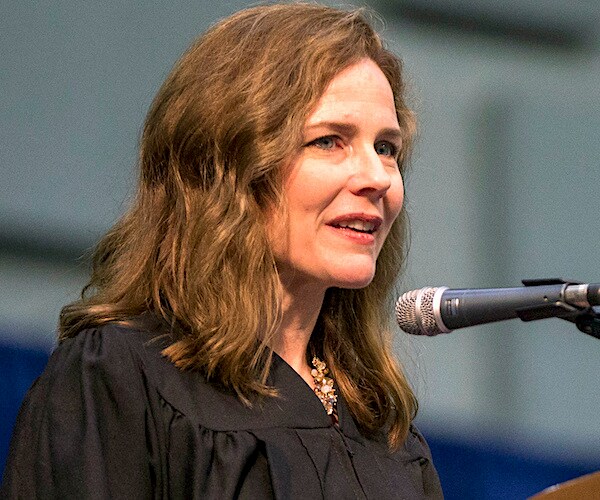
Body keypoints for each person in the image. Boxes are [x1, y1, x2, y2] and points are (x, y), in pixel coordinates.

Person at [1, 3, 443, 498]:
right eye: (329, 141)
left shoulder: (383, 428)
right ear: (228, 167)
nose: (379, 178)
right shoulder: (121, 380)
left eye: (387, 147)